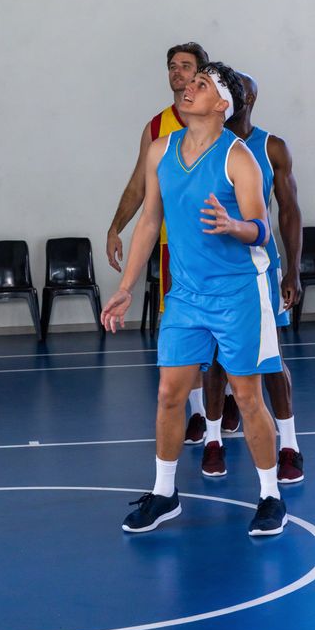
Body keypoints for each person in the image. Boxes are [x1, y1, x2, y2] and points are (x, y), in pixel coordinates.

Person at [101, 63, 288, 537]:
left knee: (246, 397)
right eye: (187, 82)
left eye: (200, 84)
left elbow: (262, 229)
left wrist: (234, 227)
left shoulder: (239, 158)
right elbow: (148, 223)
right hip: (185, 296)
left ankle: (271, 496)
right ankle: (165, 494)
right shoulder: (161, 151)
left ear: (222, 105)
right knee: (169, 394)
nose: (187, 87)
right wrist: (125, 288)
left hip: (238, 295)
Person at [201, 73, 303, 485]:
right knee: (213, 362)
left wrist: (293, 268)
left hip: (260, 270)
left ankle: (290, 446)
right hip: (214, 272)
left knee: (272, 359)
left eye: (240, 87)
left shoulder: (270, 147)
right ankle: (213, 441)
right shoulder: (205, 145)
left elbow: (290, 211)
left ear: (251, 99)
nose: (235, 93)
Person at [106, 40, 210, 442]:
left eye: (186, 66)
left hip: (221, 248)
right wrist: (116, 226)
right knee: (186, 332)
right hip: (174, 249)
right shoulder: (157, 127)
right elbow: (138, 185)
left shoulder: (222, 121)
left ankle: (224, 405)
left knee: (223, 335)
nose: (177, 73)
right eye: (172, 66)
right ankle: (200, 413)